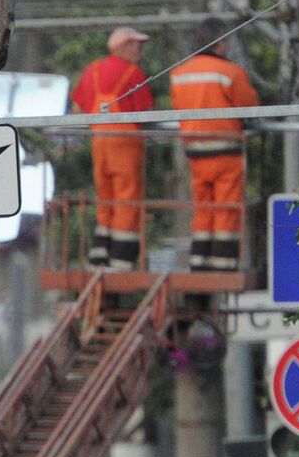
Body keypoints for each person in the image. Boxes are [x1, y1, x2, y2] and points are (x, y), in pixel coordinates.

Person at [171, 20, 260, 271]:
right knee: (226, 207)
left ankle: (199, 262)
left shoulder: (179, 74)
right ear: (220, 43)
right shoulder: (231, 72)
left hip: (195, 151)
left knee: (203, 208)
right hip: (225, 149)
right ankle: (222, 263)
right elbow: (250, 106)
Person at [71, 28, 155, 271]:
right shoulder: (133, 73)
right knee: (127, 198)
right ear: (122, 47)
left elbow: (78, 108)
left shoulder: (93, 70)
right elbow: (147, 111)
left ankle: (99, 257)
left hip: (99, 141)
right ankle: (121, 259)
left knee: (105, 197)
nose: (140, 50)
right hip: (125, 142)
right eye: (136, 45)